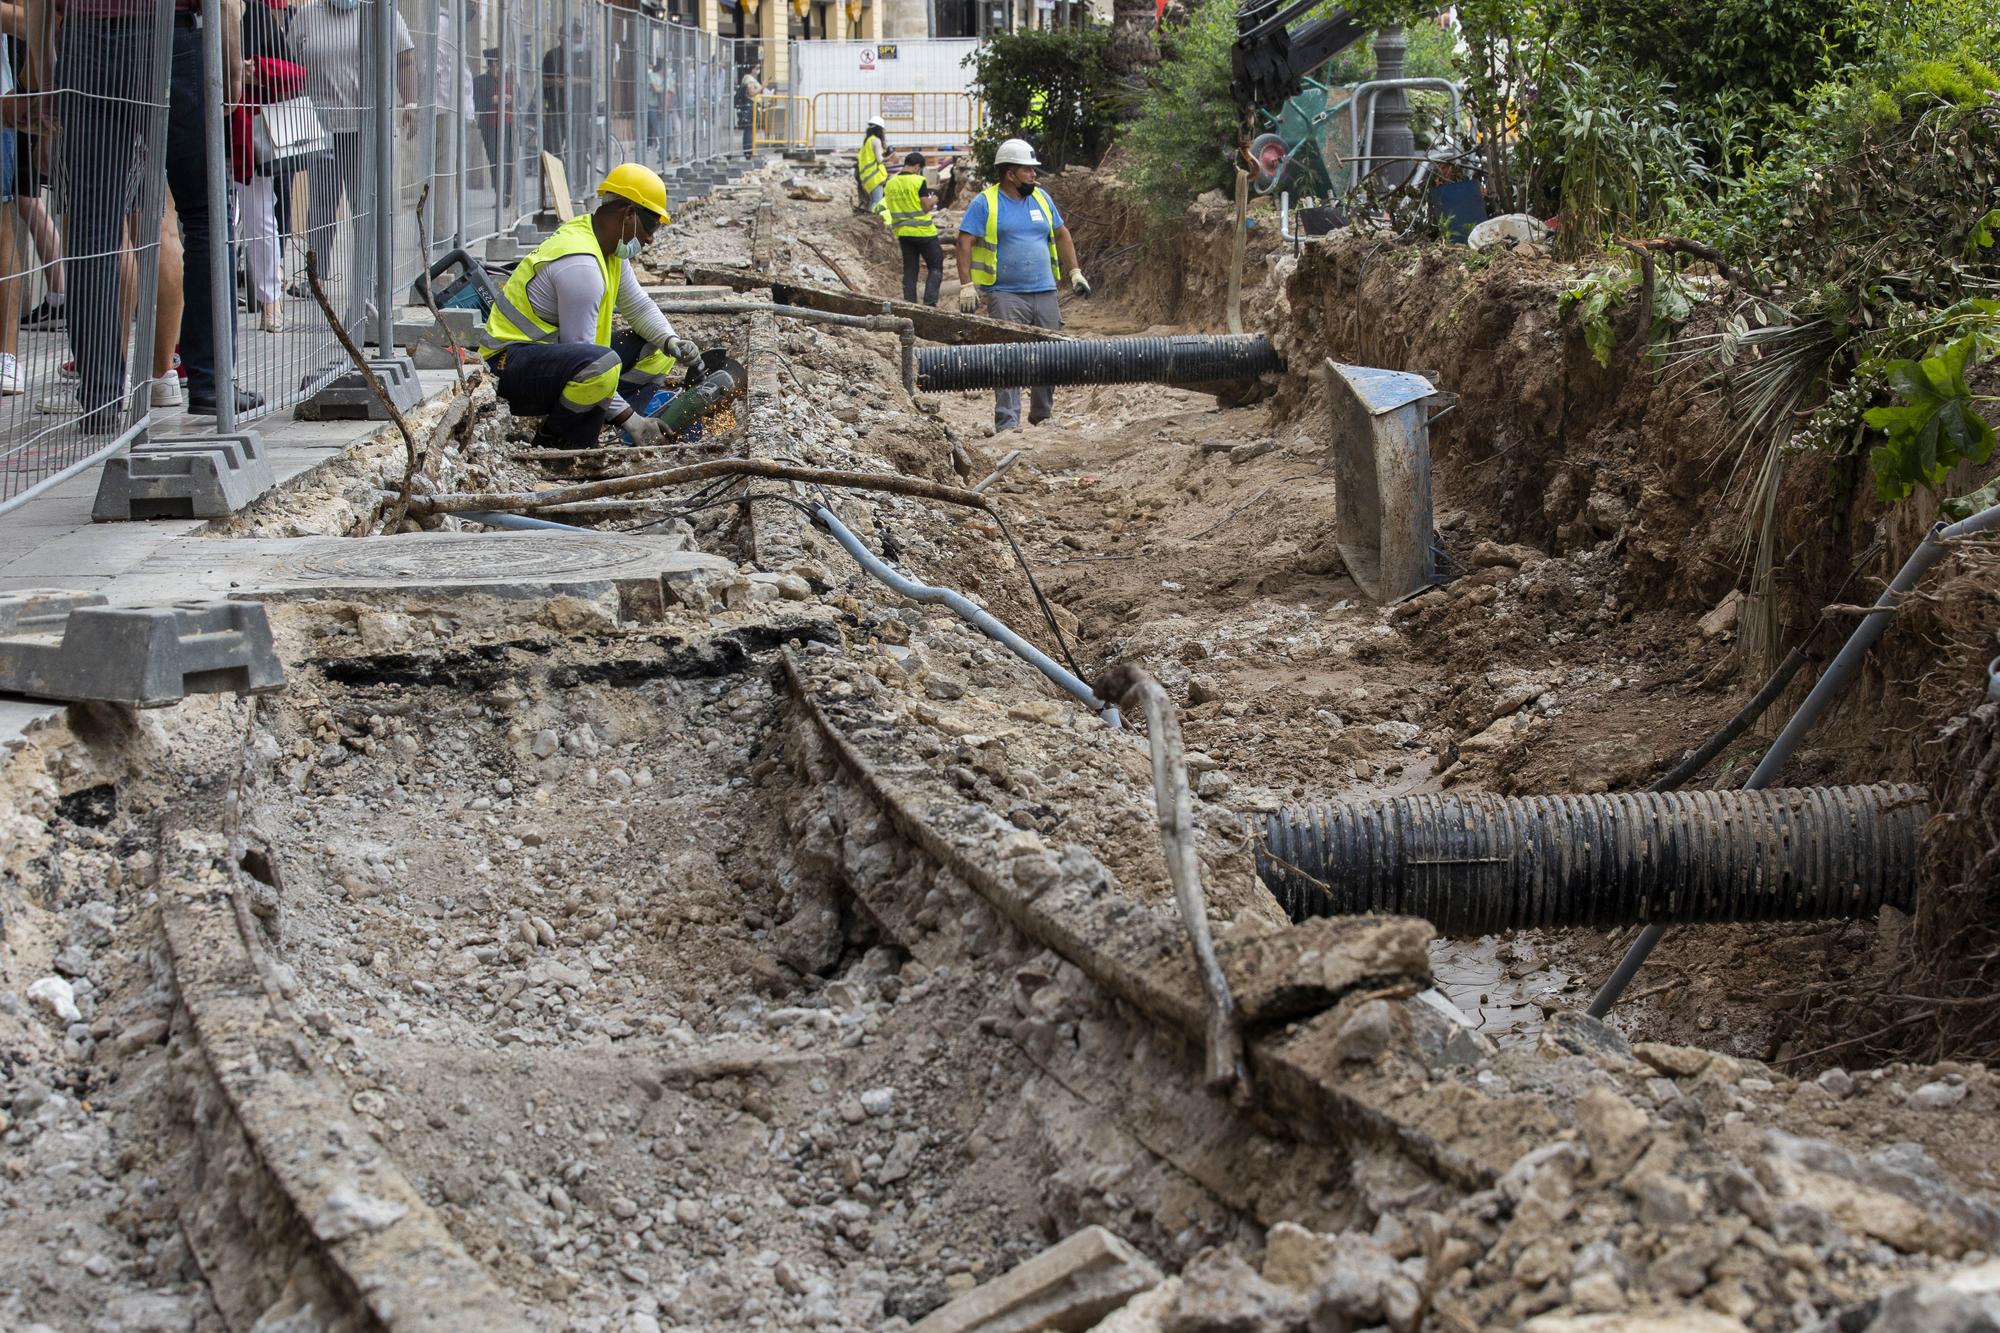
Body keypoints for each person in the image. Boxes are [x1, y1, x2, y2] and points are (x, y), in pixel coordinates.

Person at [479, 163, 702, 452]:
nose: (649, 238)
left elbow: (638, 305)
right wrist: (631, 420)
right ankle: (559, 441)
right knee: (601, 367)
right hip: (508, 367)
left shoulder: (606, 248)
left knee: (656, 352)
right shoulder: (580, 266)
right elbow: (588, 357)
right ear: (629, 213)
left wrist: (672, 341)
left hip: (554, 356)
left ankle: (600, 414)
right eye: (651, 226)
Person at [288, 0, 419, 332]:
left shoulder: (381, 13)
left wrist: (411, 101)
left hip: (365, 125)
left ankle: (371, 286)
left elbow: (404, 58)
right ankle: (314, 280)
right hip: (317, 127)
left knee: (366, 206)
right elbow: (289, 65)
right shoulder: (305, 18)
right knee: (321, 206)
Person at [954, 137, 1089, 434]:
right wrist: (967, 285)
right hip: (1005, 293)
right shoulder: (986, 202)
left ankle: (1042, 415)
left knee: (1051, 355)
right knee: (1007, 358)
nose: (1034, 175)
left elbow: (1062, 234)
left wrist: (1075, 272)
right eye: (1027, 170)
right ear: (1010, 174)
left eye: (1033, 170)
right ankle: (1007, 423)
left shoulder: (1041, 198)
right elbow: (964, 242)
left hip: (1044, 291)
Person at [885, 151, 941, 306]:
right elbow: (926, 206)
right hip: (923, 232)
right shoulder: (918, 181)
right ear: (917, 167)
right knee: (935, 266)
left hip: (903, 233)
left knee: (910, 270)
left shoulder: (891, 183)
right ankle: (929, 304)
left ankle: (909, 304)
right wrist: (934, 199)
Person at [474, 46, 510, 197]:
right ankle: (500, 192)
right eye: (493, 63)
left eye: (498, 63)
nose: (496, 66)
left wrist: (509, 99)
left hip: (508, 125)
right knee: (495, 160)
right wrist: (493, 100)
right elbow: (477, 103)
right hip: (490, 126)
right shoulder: (481, 81)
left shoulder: (510, 80)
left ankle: (508, 192)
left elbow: (519, 99)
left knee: (508, 159)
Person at [854, 114, 888, 223]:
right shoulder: (876, 141)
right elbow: (879, 159)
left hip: (867, 177)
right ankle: (872, 222)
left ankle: (868, 220)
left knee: (872, 200)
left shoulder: (867, 141)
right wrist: (890, 158)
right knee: (877, 201)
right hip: (875, 176)